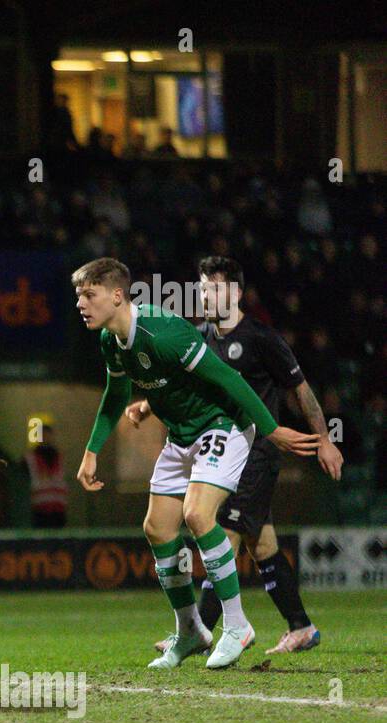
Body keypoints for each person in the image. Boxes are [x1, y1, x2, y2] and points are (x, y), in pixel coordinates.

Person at [72, 257, 319, 670]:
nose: (81, 303)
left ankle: (237, 627)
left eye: (89, 295)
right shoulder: (110, 341)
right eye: (79, 295)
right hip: (183, 434)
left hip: (223, 426)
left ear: (117, 296)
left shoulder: (162, 332)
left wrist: (271, 429)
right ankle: (190, 631)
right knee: (156, 528)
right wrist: (92, 449)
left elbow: (227, 378)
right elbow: (117, 394)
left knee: (198, 515)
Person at [140, 257, 342, 656]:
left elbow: (300, 390)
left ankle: (198, 631)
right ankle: (302, 627)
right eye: (201, 289)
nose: (206, 296)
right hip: (220, 451)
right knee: (262, 546)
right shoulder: (198, 335)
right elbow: (177, 382)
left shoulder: (261, 338)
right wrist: (146, 407)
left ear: (234, 292)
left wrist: (325, 439)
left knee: (222, 536)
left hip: (257, 454)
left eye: (214, 288)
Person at [25, 423, 67, 528]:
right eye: (43, 435)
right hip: (40, 506)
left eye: (47, 434)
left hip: (58, 506)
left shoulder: (58, 456)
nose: (46, 437)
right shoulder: (30, 457)